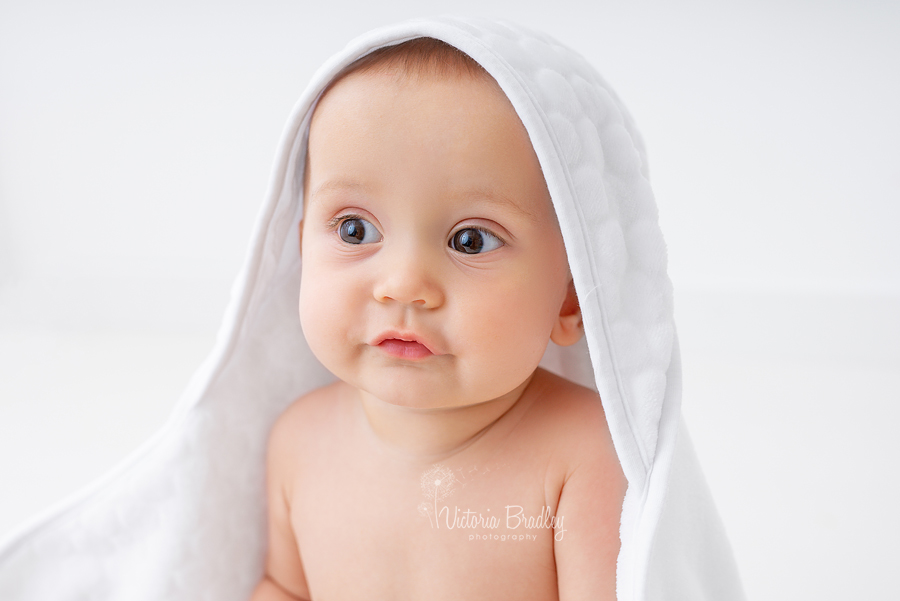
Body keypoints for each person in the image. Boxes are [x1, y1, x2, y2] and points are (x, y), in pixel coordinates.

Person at [250, 38, 627, 600]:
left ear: (571, 298)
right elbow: (285, 588)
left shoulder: (583, 452)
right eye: (356, 230)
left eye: (469, 240)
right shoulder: (298, 440)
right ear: (301, 246)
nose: (403, 284)